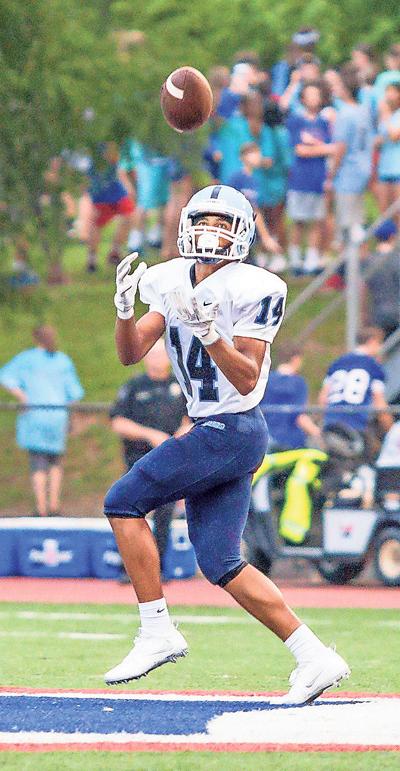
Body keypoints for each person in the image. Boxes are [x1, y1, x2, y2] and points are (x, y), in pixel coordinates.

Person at [103, 184, 350, 704]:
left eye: (222, 223)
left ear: (241, 233)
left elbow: (246, 376)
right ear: (186, 225)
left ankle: (156, 630)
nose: (211, 231)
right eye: (204, 221)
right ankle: (313, 656)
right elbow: (131, 354)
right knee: (220, 562)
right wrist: (124, 311)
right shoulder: (169, 278)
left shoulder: (257, 286)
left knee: (123, 501)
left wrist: (210, 332)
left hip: (232, 426)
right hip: (218, 431)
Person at [110, 338, 190, 576]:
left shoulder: (182, 386)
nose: (156, 359)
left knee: (165, 514)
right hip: (138, 460)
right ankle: (130, 568)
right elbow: (118, 422)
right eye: (152, 354)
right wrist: (149, 435)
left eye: (160, 354)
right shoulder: (134, 387)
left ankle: (158, 567)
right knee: (130, 512)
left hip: (169, 462)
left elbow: (193, 420)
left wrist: (177, 437)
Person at [0, 325, 84, 516]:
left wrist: (22, 395)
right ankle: (54, 506)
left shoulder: (26, 359)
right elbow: (74, 392)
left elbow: (5, 376)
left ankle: (41, 508)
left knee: (38, 461)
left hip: (35, 413)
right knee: (55, 461)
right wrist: (71, 416)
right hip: (58, 415)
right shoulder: (62, 360)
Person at [286, 82, 334, 274]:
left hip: (318, 179)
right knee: (298, 221)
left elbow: (333, 148)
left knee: (316, 220)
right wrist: (322, 148)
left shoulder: (324, 122)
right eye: (309, 94)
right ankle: (295, 260)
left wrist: (313, 145)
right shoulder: (296, 121)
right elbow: (300, 150)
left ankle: (312, 261)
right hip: (300, 179)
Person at [318, 327, 393, 441]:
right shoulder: (372, 366)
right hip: (355, 426)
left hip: (331, 426)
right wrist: (391, 429)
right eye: (379, 344)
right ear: (372, 341)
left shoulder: (337, 363)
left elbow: (323, 399)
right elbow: (379, 405)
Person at [327, 66, 373, 247]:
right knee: (358, 219)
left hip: (347, 173)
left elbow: (341, 147)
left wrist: (331, 174)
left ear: (346, 89)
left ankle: (351, 260)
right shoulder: (363, 111)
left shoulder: (344, 114)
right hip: (363, 170)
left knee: (347, 225)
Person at [260, 343, 321, 450]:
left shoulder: (265, 380)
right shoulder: (298, 383)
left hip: (265, 439)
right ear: (295, 359)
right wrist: (318, 434)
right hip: (291, 442)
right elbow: (299, 416)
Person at [86, 141, 135, 271]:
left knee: (128, 215)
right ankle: (92, 259)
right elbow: (112, 157)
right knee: (96, 222)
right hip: (99, 187)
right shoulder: (95, 142)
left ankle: (114, 252)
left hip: (113, 186)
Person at [361, 220, 400, 338]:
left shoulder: (368, 261)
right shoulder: (397, 259)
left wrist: (363, 314)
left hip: (378, 314)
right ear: (392, 236)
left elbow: (363, 290)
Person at [375, 83, 400, 225]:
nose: (388, 95)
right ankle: (389, 236)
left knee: (397, 209)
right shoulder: (385, 115)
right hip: (384, 167)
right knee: (384, 209)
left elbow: (395, 136)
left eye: (392, 92)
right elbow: (381, 139)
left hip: (397, 168)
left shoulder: (391, 115)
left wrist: (385, 115)